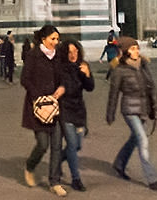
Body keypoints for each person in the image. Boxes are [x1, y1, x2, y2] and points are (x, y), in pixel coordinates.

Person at [105, 36, 157, 191]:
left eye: (137, 48)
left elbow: (152, 89)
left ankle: (119, 164)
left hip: (143, 109)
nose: (136, 51)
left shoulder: (143, 66)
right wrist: (110, 114)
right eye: (132, 49)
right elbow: (114, 94)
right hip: (129, 109)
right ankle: (152, 178)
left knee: (135, 139)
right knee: (143, 140)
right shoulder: (119, 70)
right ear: (125, 52)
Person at [21, 24, 65, 194]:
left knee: (56, 145)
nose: (56, 42)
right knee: (42, 144)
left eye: (57, 39)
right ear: (43, 39)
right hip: (37, 107)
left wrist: (62, 87)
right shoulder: (33, 55)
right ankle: (30, 166)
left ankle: (55, 182)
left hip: (55, 106)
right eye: (53, 39)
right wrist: (38, 96)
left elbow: (63, 77)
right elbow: (25, 79)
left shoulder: (58, 56)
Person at [56, 38, 94, 192]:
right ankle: (76, 179)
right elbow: (65, 87)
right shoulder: (60, 68)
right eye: (70, 52)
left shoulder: (83, 66)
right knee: (72, 144)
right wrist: (62, 89)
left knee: (77, 145)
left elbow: (90, 88)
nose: (73, 54)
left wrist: (87, 75)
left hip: (79, 111)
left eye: (76, 51)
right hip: (65, 110)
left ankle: (56, 161)